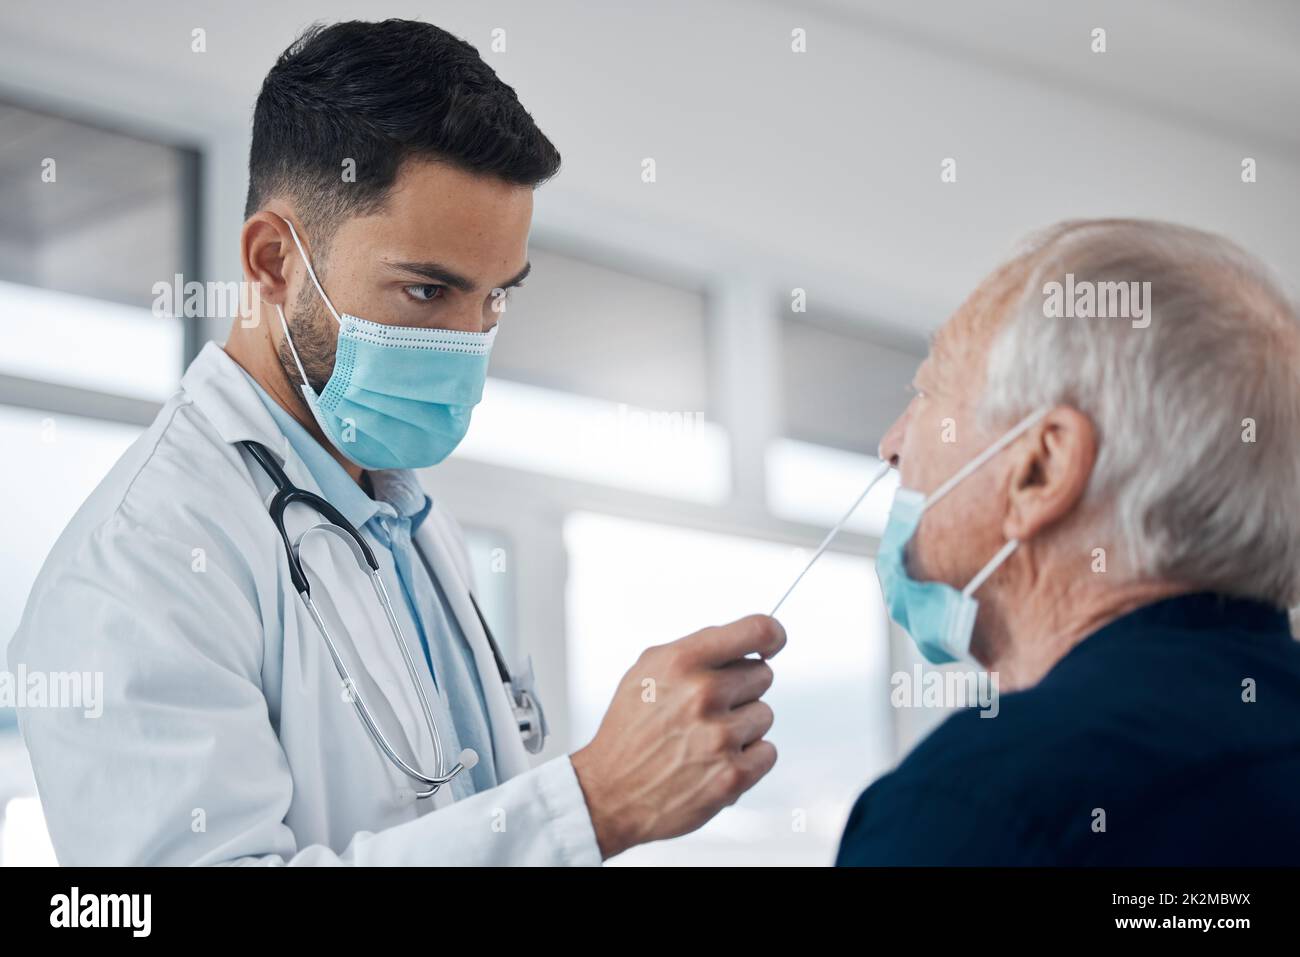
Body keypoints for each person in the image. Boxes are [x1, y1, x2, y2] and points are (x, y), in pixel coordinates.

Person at [11, 19, 781, 866]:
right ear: (273, 262)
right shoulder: (143, 560)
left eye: (497, 299)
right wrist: (590, 805)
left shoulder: (405, 517)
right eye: (427, 289)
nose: (469, 342)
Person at [838, 219, 1300, 865]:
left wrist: (637, 809)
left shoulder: (983, 803)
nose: (891, 444)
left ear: (1041, 468)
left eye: (929, 390)